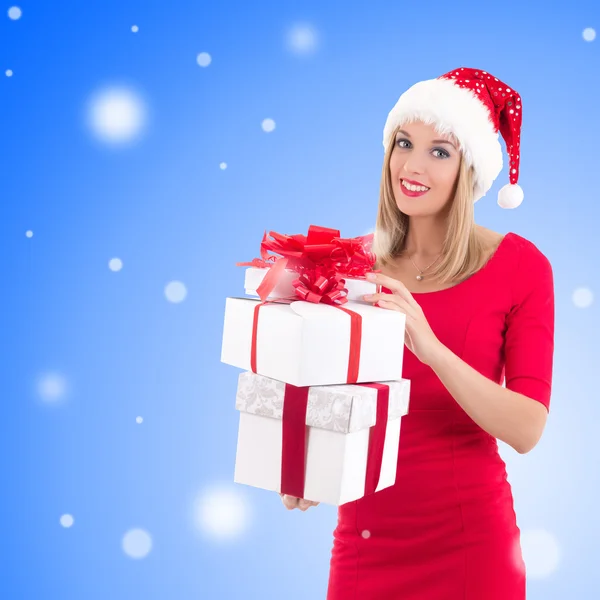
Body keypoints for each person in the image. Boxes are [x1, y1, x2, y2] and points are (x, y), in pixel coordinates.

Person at [281, 66, 555, 599]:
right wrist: (305, 466)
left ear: (470, 168)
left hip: (473, 549)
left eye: (440, 151)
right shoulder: (351, 266)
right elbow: (326, 394)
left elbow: (527, 429)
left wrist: (430, 347)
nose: (411, 165)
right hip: (365, 545)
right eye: (404, 142)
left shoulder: (521, 267)